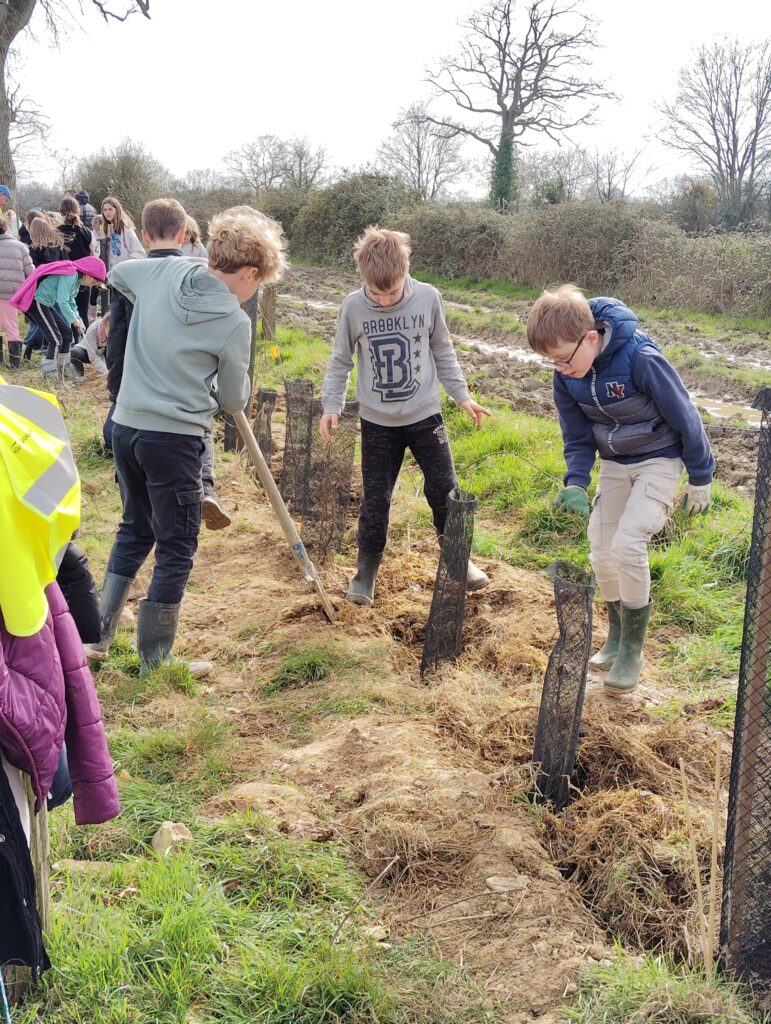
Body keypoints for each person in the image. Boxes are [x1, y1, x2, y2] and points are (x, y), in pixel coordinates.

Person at [91, 202, 286, 675]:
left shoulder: (159, 274)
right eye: (258, 284)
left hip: (126, 427)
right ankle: (155, 661)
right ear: (250, 273)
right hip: (175, 441)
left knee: (134, 528)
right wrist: (208, 383)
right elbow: (235, 399)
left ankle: (96, 636)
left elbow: (116, 276)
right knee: (176, 545)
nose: (254, 293)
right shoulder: (234, 323)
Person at [526, 285, 715, 693]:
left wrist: (700, 476)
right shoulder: (568, 377)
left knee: (628, 544)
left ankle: (633, 649)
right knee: (600, 544)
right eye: (552, 361)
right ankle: (614, 635)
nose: (559, 367)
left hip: (660, 459)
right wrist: (575, 483)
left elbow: (685, 414)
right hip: (614, 463)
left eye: (562, 357)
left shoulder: (641, 359)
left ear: (590, 338)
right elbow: (576, 436)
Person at [320, 226, 491, 606]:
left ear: (406, 270)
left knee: (445, 491)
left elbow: (443, 350)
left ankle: (459, 560)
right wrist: (331, 405)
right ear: (362, 276)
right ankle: (365, 572)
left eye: (392, 293)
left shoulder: (428, 298)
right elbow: (340, 360)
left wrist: (462, 396)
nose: (383, 301)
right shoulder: (352, 307)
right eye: (375, 293)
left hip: (425, 416)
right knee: (376, 499)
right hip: (378, 423)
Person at [104, 201, 230, 526]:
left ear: (144, 235)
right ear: (183, 233)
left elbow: (116, 341)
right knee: (201, 428)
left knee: (136, 506)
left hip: (136, 385)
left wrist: (115, 392)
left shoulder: (128, 277)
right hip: (182, 382)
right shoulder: (196, 273)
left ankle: (137, 501)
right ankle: (205, 488)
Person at [10, 254, 107, 380]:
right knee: (55, 340)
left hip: (47, 303)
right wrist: (74, 320)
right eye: (94, 282)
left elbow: (71, 301)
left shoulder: (77, 281)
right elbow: (62, 301)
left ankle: (64, 370)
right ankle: (49, 376)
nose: (93, 285)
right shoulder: (71, 275)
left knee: (67, 334)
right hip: (38, 302)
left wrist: (79, 320)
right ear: (88, 274)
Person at [0, 215, 34, 368]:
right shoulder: (20, 246)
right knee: (12, 327)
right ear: (6, 227)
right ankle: (15, 363)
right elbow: (31, 271)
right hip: (13, 293)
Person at [59, 196, 94, 335]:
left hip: (63, 277)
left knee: (66, 313)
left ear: (61, 212)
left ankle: (67, 346)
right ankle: (83, 345)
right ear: (78, 211)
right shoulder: (87, 232)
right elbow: (94, 256)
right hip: (83, 277)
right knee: (82, 312)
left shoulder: (56, 232)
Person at [101, 196, 144, 269]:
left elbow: (138, 252)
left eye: (110, 209)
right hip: (110, 273)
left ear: (116, 210)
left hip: (123, 272)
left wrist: (126, 267)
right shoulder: (106, 227)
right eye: (105, 210)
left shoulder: (125, 227)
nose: (107, 212)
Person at [70, 311, 110, 378]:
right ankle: (78, 376)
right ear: (104, 324)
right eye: (110, 329)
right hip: (89, 350)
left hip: (105, 350)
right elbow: (94, 357)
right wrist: (106, 372)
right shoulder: (93, 329)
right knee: (74, 353)